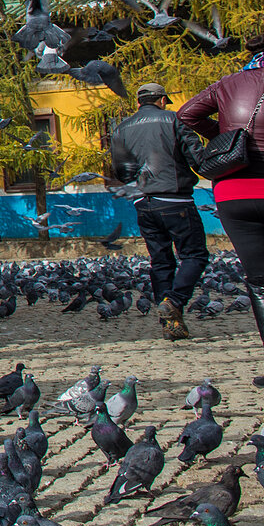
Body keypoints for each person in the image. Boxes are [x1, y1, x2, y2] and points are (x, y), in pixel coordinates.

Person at [180, 35, 264, 344]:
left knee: (259, 282)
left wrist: (227, 137)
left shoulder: (228, 83)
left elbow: (186, 115)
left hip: (234, 194)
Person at [110, 81, 207, 340]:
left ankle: (171, 325)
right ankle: (174, 301)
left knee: (161, 261)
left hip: (143, 203)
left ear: (139, 102)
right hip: (176, 201)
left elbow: (121, 172)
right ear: (162, 100)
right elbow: (198, 160)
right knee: (194, 256)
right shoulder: (174, 120)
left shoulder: (121, 128)